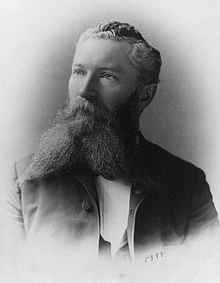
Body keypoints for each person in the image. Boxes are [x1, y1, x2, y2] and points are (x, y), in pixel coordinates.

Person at [4, 21, 219, 269]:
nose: (85, 91)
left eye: (107, 76)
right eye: (79, 72)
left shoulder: (188, 185)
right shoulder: (22, 182)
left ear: (144, 95)